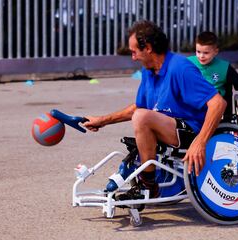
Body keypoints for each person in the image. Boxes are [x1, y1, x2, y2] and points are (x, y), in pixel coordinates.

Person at [83, 21, 227, 199]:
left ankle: (149, 186)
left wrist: (201, 142)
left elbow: (218, 103)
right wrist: (102, 121)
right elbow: (139, 108)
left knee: (142, 117)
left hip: (191, 131)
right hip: (169, 126)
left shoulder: (180, 68)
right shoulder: (149, 71)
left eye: (134, 51)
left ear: (148, 48)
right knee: (141, 116)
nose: (133, 57)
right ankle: (148, 179)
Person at [187, 31, 238, 118]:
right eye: (198, 52)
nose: (201, 56)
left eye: (206, 53)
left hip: (218, 112)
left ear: (215, 52)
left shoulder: (224, 67)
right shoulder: (187, 63)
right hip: (192, 108)